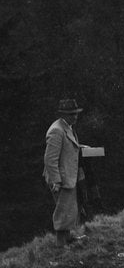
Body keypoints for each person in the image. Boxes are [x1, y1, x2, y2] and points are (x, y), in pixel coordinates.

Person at [42, 98, 86, 246]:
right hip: (60, 177)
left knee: (69, 208)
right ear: (63, 114)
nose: (75, 116)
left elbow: (68, 146)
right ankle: (61, 244)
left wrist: (81, 147)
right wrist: (56, 181)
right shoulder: (56, 130)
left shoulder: (67, 126)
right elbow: (50, 159)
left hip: (68, 175)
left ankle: (67, 238)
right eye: (71, 114)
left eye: (76, 113)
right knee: (63, 210)